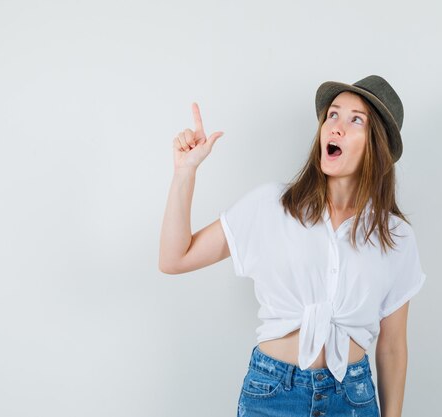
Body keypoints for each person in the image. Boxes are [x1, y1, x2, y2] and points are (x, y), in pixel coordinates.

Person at [159, 75, 427, 417]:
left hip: (353, 400)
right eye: (333, 114)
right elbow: (174, 258)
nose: (336, 127)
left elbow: (392, 347)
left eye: (355, 119)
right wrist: (185, 173)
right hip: (273, 395)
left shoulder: (396, 236)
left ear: (378, 147)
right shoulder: (272, 205)